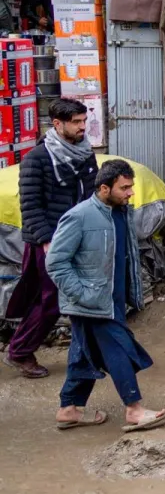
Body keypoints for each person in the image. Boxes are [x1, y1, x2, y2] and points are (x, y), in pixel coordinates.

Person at [47, 160, 165, 432]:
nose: (130, 193)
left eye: (131, 186)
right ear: (104, 188)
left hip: (111, 299)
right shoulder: (79, 216)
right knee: (119, 349)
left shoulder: (121, 213)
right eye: (124, 188)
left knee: (83, 353)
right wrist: (83, 295)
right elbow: (55, 262)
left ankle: (69, 408)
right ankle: (134, 409)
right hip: (93, 302)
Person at [5, 99, 98, 378]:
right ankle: (20, 351)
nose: (83, 127)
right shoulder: (38, 158)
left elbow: (90, 195)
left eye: (84, 121)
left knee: (61, 299)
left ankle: (88, 354)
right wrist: (48, 242)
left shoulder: (84, 154)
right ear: (57, 124)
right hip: (49, 242)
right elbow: (30, 206)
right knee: (52, 301)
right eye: (77, 122)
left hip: (77, 238)